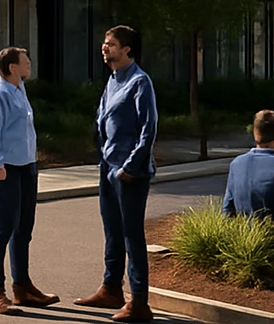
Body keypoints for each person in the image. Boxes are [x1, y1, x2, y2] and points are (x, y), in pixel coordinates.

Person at [75, 25, 157, 324]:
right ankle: (111, 289)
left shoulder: (139, 82)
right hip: (108, 167)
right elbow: (103, 120)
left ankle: (139, 303)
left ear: (126, 49)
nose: (104, 47)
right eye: (104, 43)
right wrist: (103, 156)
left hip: (130, 173)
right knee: (112, 232)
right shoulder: (112, 80)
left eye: (111, 44)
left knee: (132, 235)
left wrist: (129, 167)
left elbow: (149, 129)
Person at [0, 46, 57, 314]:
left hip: (26, 167)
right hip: (7, 169)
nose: (29, 64)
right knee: (2, 229)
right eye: (26, 62)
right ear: (12, 67)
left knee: (24, 229)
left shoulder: (19, 89)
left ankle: (22, 287)